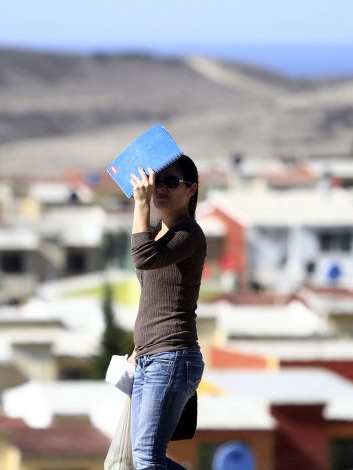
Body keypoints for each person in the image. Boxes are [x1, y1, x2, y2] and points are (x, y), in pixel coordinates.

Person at [127, 155, 206, 470]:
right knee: (139, 459)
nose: (159, 188)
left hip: (173, 357)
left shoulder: (189, 233)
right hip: (150, 357)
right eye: (156, 180)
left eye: (171, 181)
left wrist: (140, 204)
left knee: (147, 460)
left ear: (191, 189)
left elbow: (143, 258)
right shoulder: (158, 234)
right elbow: (155, 296)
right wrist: (138, 348)